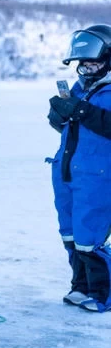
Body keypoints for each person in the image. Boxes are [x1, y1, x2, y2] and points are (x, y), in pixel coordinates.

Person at [48, 24, 111, 312]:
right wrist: (59, 115)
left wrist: (81, 111)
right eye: (82, 63)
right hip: (68, 171)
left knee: (91, 236)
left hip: (99, 176)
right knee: (71, 233)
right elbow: (69, 124)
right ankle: (81, 286)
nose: (86, 68)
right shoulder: (81, 88)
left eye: (94, 62)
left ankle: (103, 294)